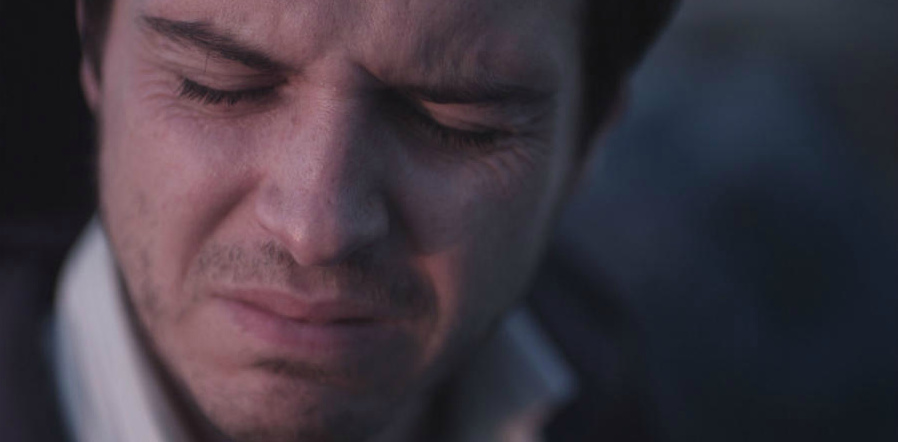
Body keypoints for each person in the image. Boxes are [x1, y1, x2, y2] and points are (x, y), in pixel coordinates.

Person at [0, 0, 678, 441]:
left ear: (589, 139)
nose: (316, 229)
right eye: (218, 85)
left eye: (455, 122)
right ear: (93, 52)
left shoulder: (670, 382)